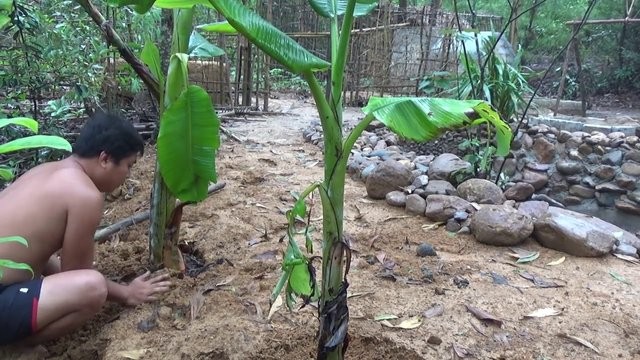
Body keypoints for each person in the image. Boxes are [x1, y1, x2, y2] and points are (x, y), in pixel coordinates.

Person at [0, 112, 171, 348]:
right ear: (104, 159)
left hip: (7, 287)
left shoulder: (44, 171)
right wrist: (127, 293)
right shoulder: (85, 194)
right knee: (93, 288)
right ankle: (17, 347)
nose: (128, 176)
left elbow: (38, 252)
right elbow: (77, 275)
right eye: (128, 166)